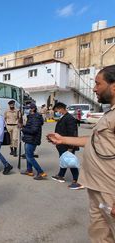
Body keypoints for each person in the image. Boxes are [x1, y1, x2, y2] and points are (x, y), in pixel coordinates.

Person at [47, 65, 115, 242]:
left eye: (98, 84)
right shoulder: (110, 114)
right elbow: (95, 141)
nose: (93, 88)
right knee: (100, 234)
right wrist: (62, 140)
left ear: (114, 86)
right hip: (97, 187)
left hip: (110, 190)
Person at [50, 102, 84, 190]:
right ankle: (61, 175)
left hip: (67, 145)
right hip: (62, 144)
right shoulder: (63, 117)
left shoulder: (69, 118)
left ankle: (77, 180)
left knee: (71, 162)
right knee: (64, 160)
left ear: (60, 109)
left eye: (56, 110)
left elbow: (72, 134)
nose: (56, 112)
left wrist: (71, 147)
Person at [20, 103, 46, 180]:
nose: (26, 110)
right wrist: (23, 126)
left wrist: (23, 129)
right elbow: (30, 127)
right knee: (29, 155)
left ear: (33, 109)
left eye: (28, 108)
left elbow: (34, 130)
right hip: (29, 138)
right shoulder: (31, 117)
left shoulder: (35, 118)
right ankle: (29, 170)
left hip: (32, 139)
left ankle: (41, 172)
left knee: (29, 157)